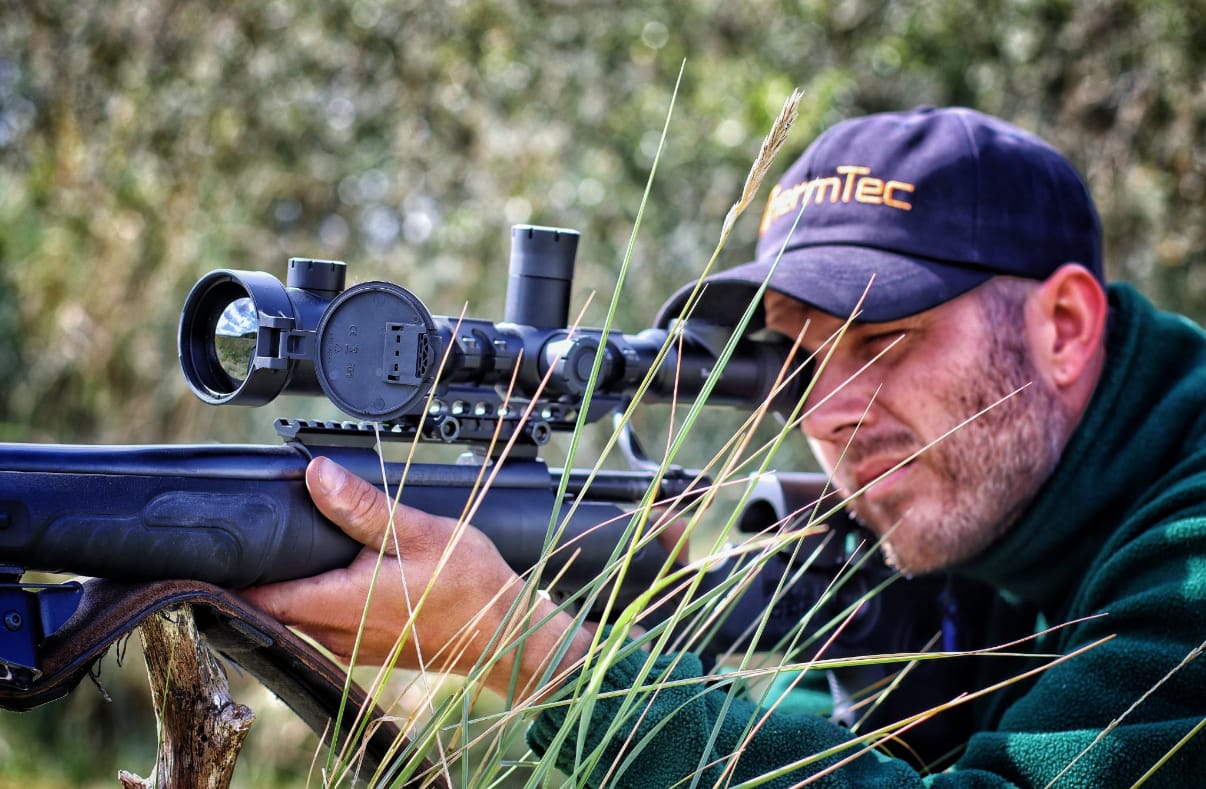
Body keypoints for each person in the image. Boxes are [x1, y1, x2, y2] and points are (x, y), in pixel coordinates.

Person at [242, 106, 1206, 785]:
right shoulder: (994, 521)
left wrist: (535, 654)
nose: (826, 412)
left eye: (883, 339)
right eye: (793, 359)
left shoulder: (1188, 553)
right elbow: (835, 740)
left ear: (1068, 326)